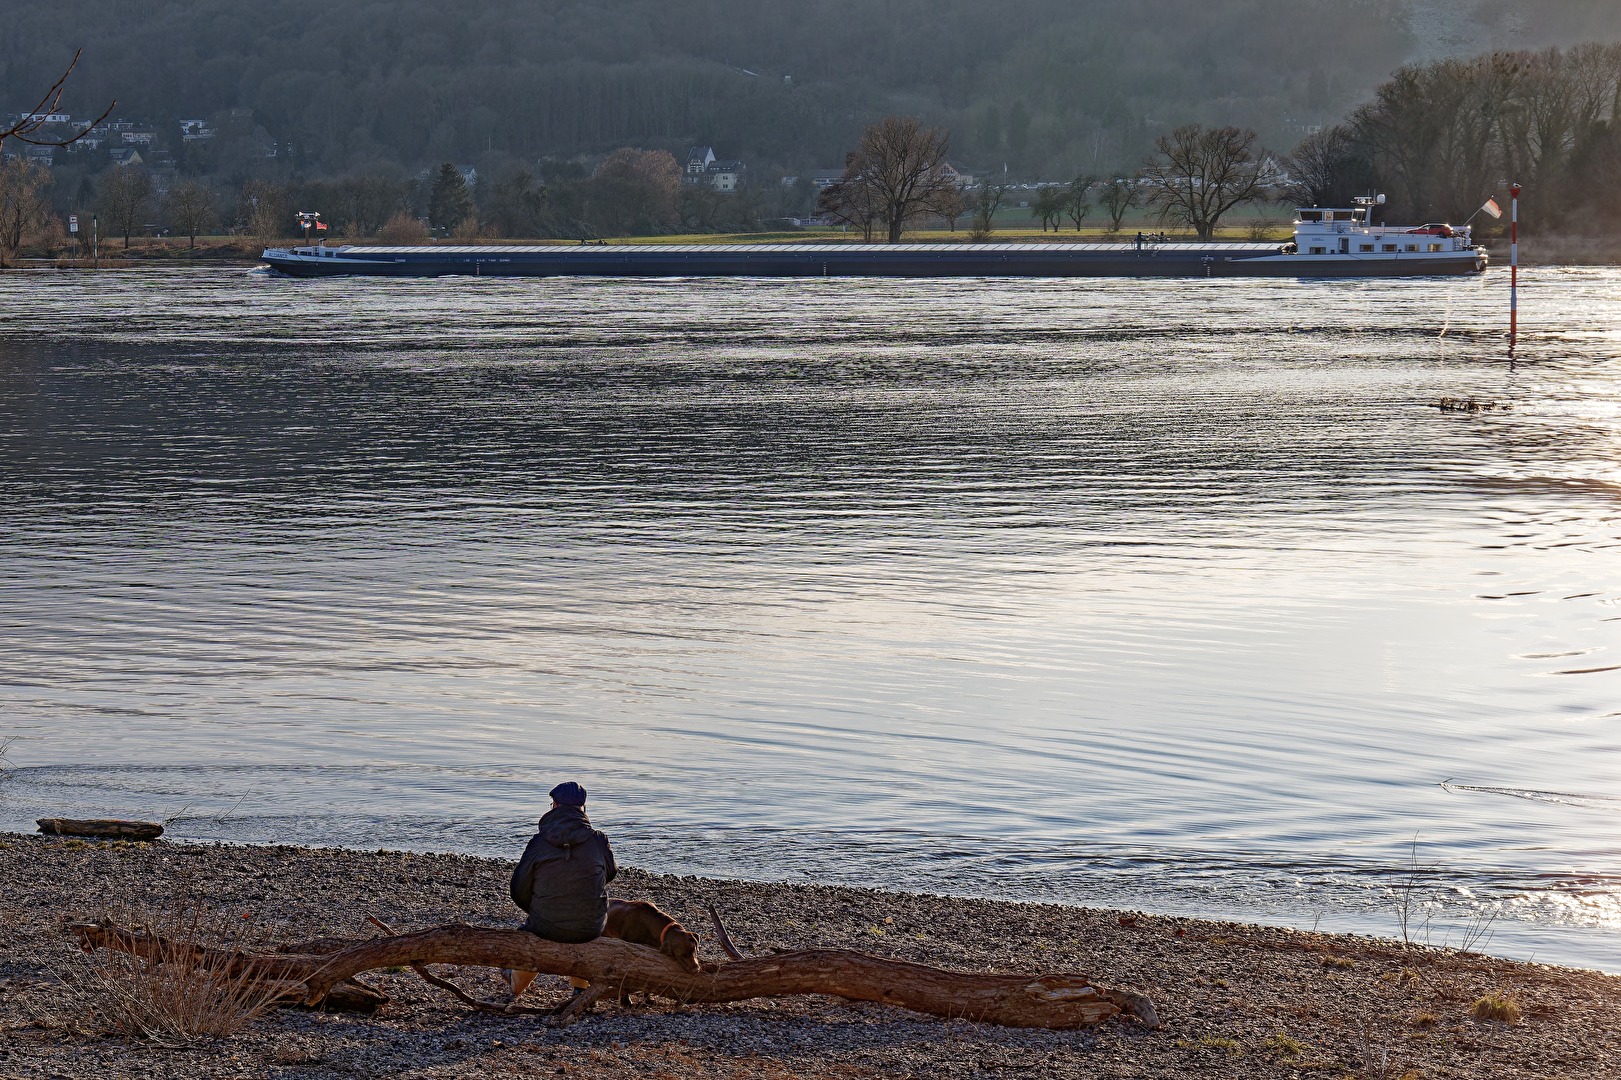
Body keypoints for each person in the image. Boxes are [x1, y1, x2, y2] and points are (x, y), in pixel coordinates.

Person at [505, 781, 617, 997]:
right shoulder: (598, 841)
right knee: (590, 927)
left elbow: (518, 888)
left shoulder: (538, 842)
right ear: (583, 808)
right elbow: (610, 873)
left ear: (554, 806)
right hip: (590, 926)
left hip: (544, 924)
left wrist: (541, 907)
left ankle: (515, 983)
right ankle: (580, 988)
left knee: (534, 934)